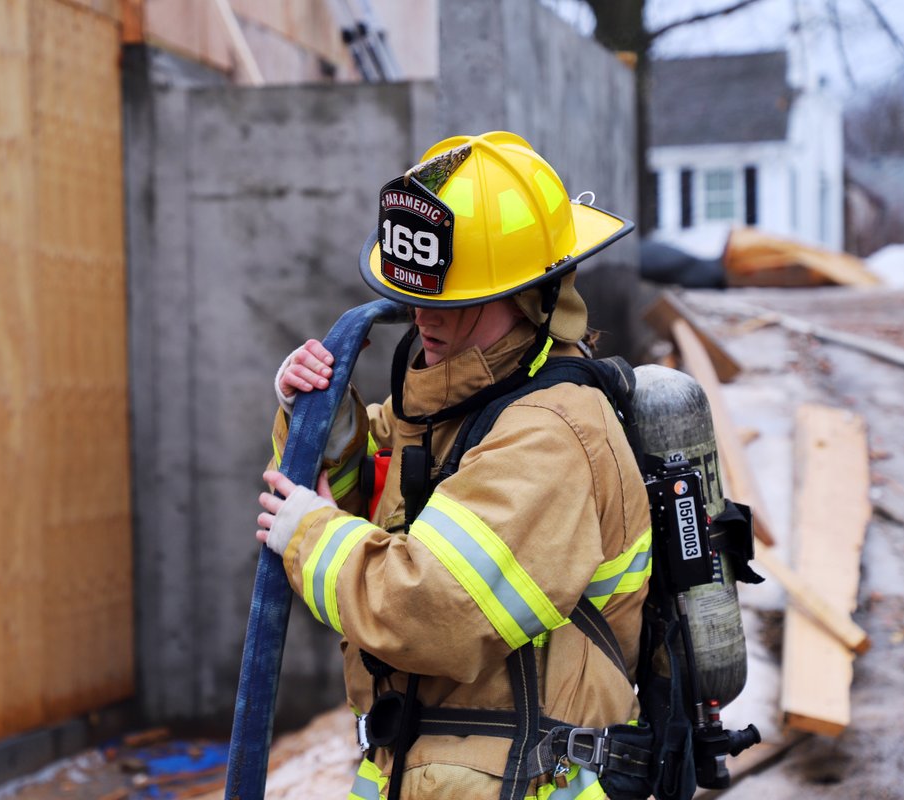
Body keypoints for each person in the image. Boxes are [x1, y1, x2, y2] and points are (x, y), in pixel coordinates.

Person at [255, 131, 652, 800]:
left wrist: (309, 535)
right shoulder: (452, 403)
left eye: (454, 302)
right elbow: (373, 515)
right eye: (418, 296)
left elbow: (430, 613)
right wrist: (328, 429)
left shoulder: (550, 435)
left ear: (533, 297)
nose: (424, 319)